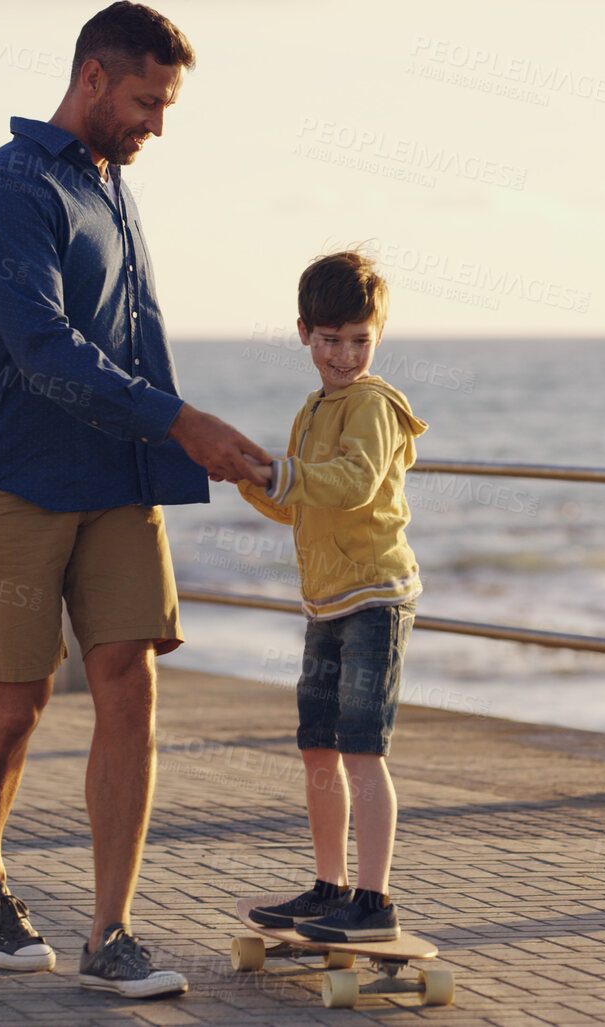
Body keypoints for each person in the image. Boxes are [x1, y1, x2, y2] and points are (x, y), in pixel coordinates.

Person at [0, 2, 269, 999]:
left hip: (118, 482)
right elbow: (44, 351)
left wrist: (173, 445)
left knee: (130, 680)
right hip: (14, 482)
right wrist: (183, 423)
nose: (156, 124)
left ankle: (110, 931)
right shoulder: (0, 193)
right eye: (144, 102)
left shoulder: (111, 185)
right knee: (18, 703)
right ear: (91, 80)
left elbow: (130, 336)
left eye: (165, 105)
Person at [236, 251, 428, 942]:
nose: (344, 355)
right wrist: (251, 480)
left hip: (375, 597)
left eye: (358, 339)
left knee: (360, 750)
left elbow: (350, 482)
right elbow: (298, 508)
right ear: (302, 333)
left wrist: (281, 473)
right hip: (326, 603)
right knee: (317, 746)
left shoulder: (372, 406)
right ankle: (329, 886)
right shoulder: (313, 409)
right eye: (329, 339)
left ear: (376, 334)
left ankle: (374, 901)